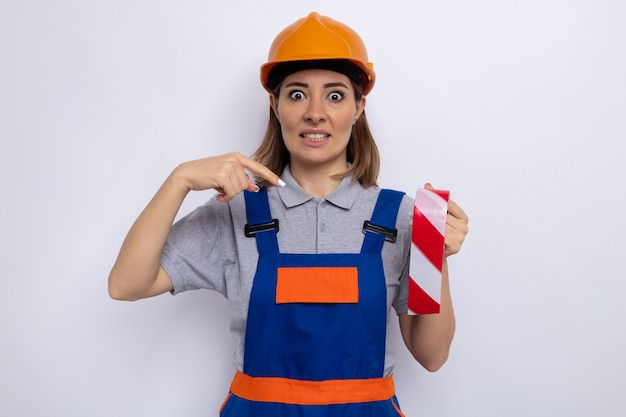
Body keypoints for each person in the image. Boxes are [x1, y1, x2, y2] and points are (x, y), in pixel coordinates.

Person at [109, 11, 469, 416]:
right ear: (275, 105)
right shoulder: (238, 212)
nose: (315, 112)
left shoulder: (401, 217)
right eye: (297, 94)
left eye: (335, 95)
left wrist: (433, 254)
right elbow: (126, 284)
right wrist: (178, 181)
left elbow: (432, 355)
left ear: (359, 106)